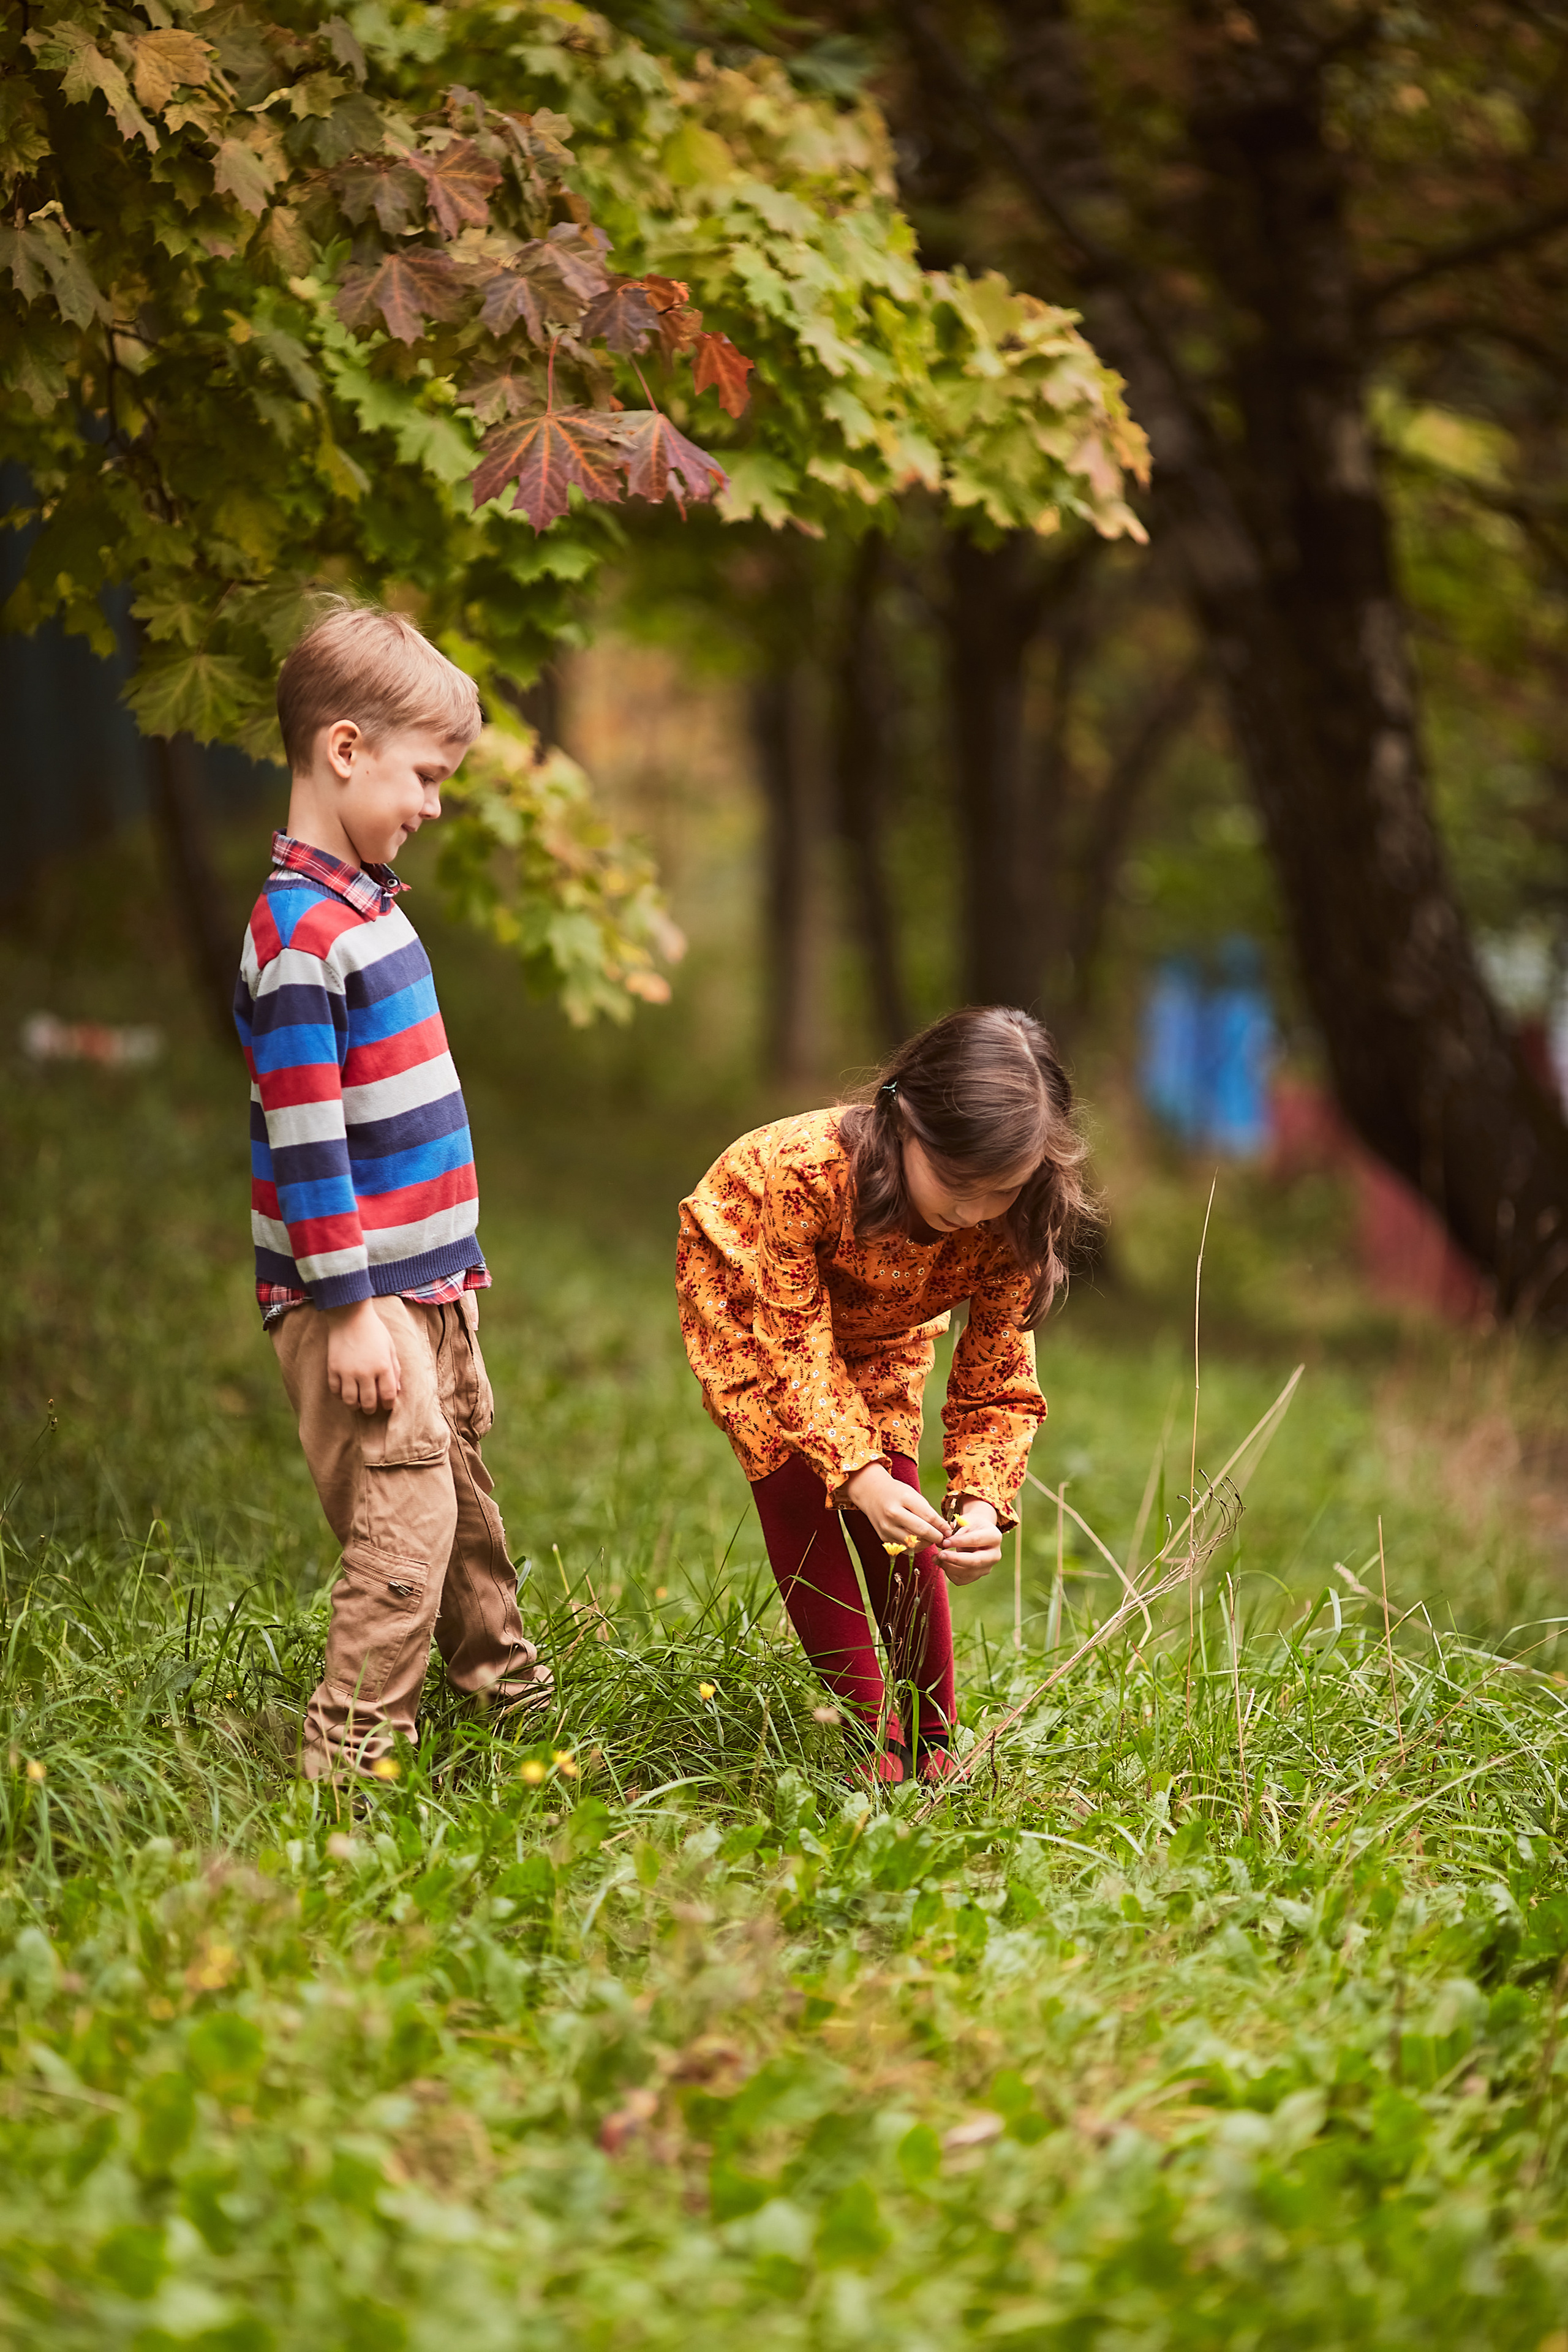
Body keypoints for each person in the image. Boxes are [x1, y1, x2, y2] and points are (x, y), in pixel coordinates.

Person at [235, 602, 549, 1780]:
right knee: (404, 1527)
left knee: (458, 1500)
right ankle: (352, 1758)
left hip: (422, 1285)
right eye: (425, 776)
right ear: (346, 750)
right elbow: (312, 1148)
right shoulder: (304, 935)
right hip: (355, 1299)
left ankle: (506, 1697)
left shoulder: (364, 909)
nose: (431, 804)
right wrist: (356, 1307)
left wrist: (437, 1286)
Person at [677, 1006, 1092, 1785]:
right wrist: (850, 1470)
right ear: (903, 1119)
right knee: (801, 1479)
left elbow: (997, 1376)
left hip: (890, 1311)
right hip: (754, 1292)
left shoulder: (1013, 1224)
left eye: (998, 1190)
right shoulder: (802, 1173)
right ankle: (872, 1743)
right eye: (957, 1184)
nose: (972, 1210)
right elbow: (794, 1343)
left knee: (897, 1501)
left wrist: (978, 1504)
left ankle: (935, 1741)